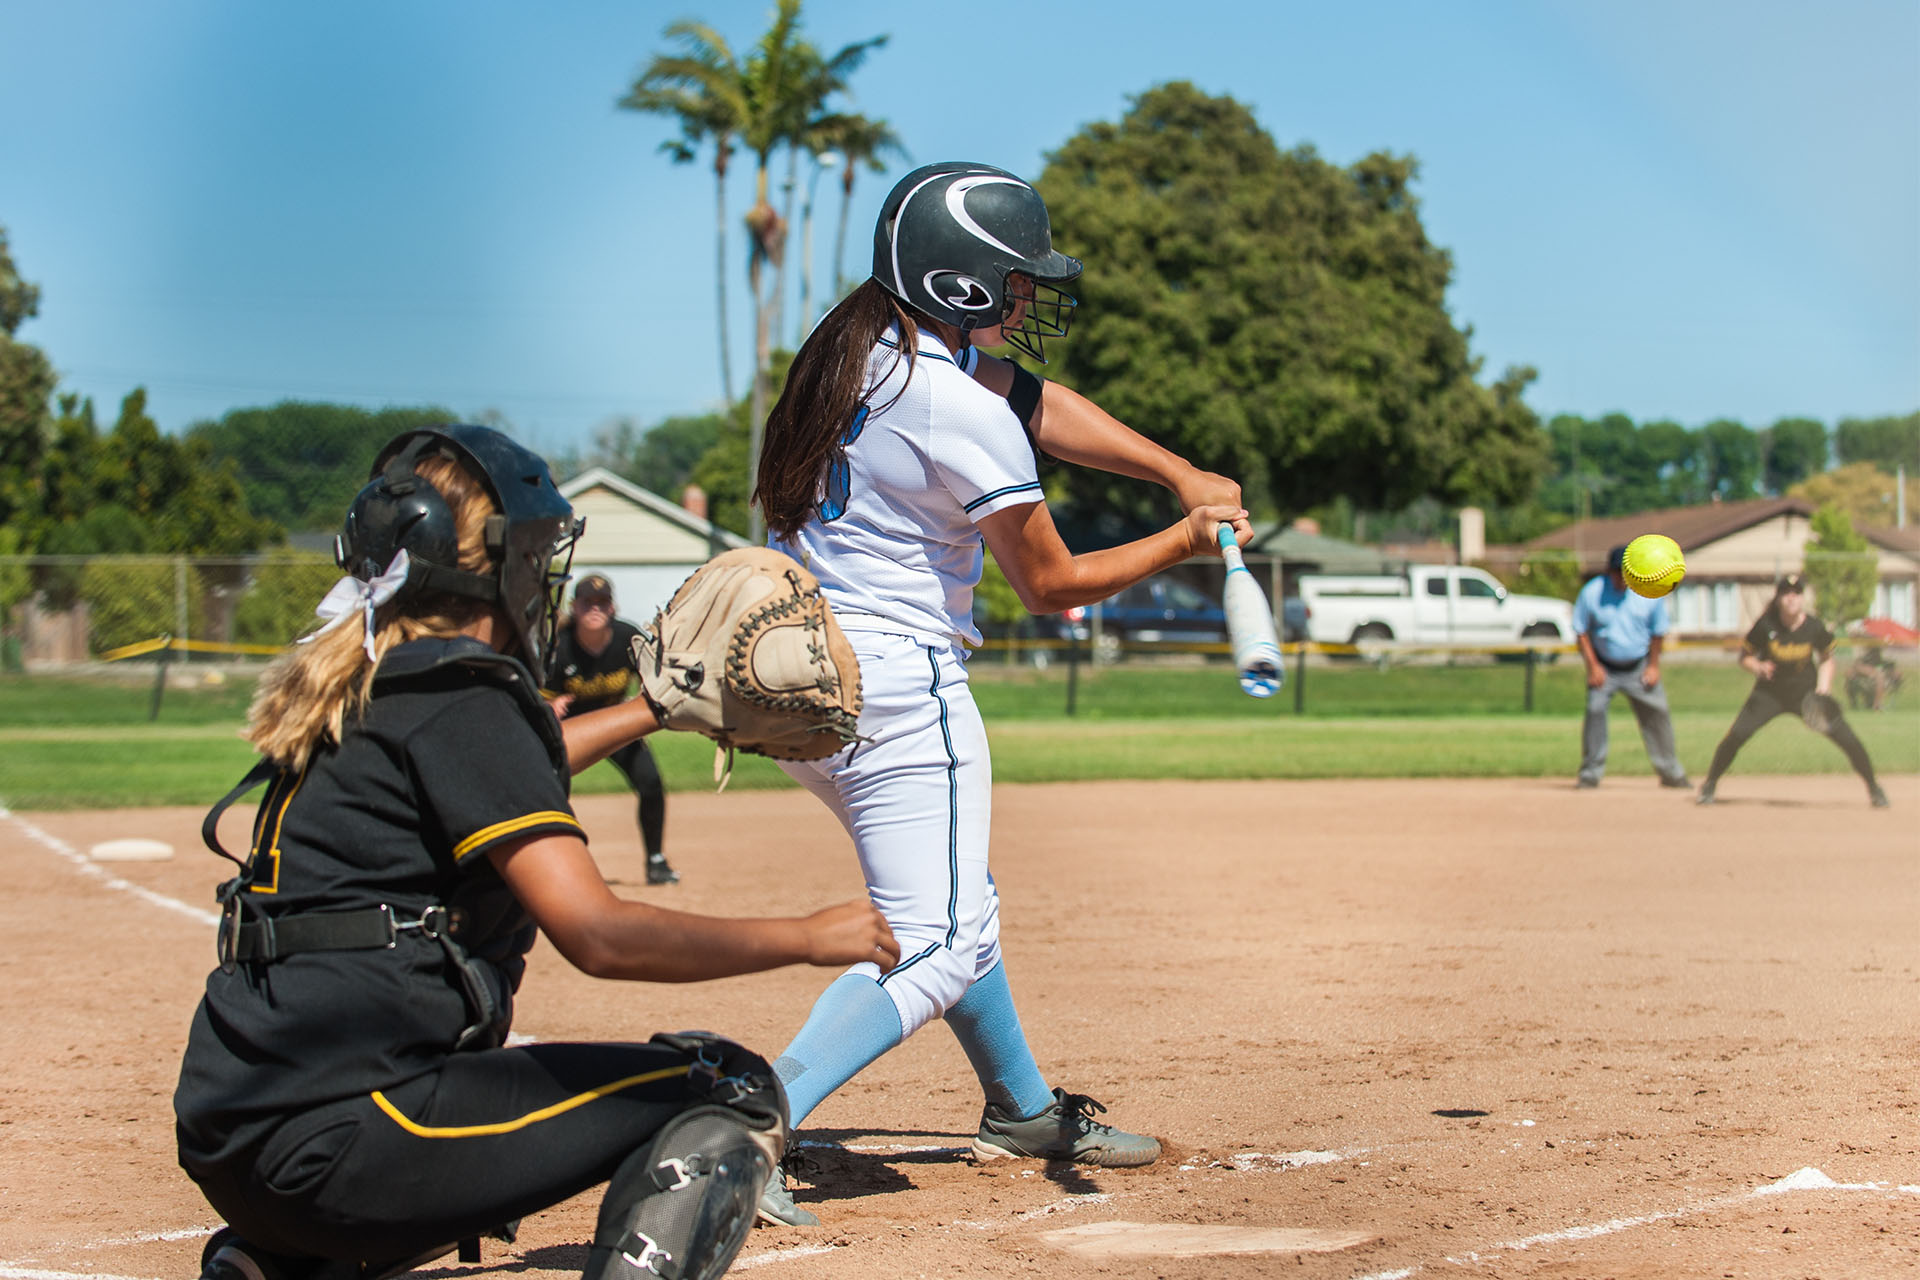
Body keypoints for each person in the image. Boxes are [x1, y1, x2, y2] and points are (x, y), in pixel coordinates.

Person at [175, 425, 898, 1280]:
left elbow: (518, 763)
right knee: (726, 1083)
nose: (541, 572)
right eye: (531, 550)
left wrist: (654, 709)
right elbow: (600, 937)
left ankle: (278, 1265)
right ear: (482, 564)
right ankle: (314, 1243)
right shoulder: (464, 700)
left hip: (239, 1131)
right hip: (356, 1135)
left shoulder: (370, 683)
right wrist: (811, 935)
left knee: (444, 1144)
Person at [747, 161, 1252, 1226]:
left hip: (801, 681)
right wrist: (1185, 535)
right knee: (938, 940)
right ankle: (749, 1123)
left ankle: (1021, 1107)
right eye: (1014, 280)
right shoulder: (950, 405)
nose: (1027, 298)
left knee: (955, 900)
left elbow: (1038, 401)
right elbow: (1054, 585)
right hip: (895, 687)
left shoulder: (858, 354)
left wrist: (1175, 469)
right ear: (960, 285)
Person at [1697, 574, 1890, 808]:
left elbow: (1827, 659)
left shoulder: (1814, 627)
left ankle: (1874, 788)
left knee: (1847, 738)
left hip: (1806, 696)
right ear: (1778, 598)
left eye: (1796, 593)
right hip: (1768, 695)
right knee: (1736, 736)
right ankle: (1709, 784)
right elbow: (1744, 658)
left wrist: (1823, 688)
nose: (1791, 598)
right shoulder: (1766, 625)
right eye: (1786, 593)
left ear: (1802, 597)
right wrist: (1757, 666)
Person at [544, 573, 678, 885]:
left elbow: (656, 678)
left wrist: (643, 698)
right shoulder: (560, 648)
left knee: (651, 783)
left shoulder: (626, 638)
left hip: (613, 726)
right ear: (574, 608)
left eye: (602, 603)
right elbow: (538, 700)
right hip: (571, 730)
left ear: (613, 608)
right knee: (549, 791)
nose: (595, 609)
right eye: (587, 603)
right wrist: (548, 707)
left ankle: (656, 862)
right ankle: (555, 869)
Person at [1572, 544, 1690, 790]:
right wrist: (1593, 667)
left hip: (1639, 666)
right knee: (1595, 711)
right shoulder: (1592, 592)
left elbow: (1658, 632)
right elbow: (1581, 630)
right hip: (1604, 666)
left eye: (1624, 573)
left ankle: (1671, 772)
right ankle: (1590, 774)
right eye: (1616, 572)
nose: (1620, 578)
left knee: (1658, 712)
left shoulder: (1647, 592)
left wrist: (1653, 666)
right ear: (1608, 571)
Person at [1845, 644, 1903, 712]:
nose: (1875, 654)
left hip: (1876, 685)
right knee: (1850, 684)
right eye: (1873, 652)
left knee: (1879, 679)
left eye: (1876, 652)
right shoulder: (1862, 663)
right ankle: (1856, 705)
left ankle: (1876, 705)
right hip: (1864, 683)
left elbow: (1896, 674)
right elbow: (1849, 672)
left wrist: (1895, 677)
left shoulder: (1884, 663)